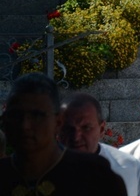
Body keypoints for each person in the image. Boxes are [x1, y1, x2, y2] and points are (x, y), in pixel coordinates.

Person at [0, 73, 128, 195]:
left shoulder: (95, 175)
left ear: (58, 122)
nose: (25, 125)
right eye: (15, 115)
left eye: (37, 116)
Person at [60, 92, 140, 196]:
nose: (76, 137)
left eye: (86, 128)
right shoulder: (41, 168)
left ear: (102, 129)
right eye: (68, 128)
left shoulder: (131, 168)